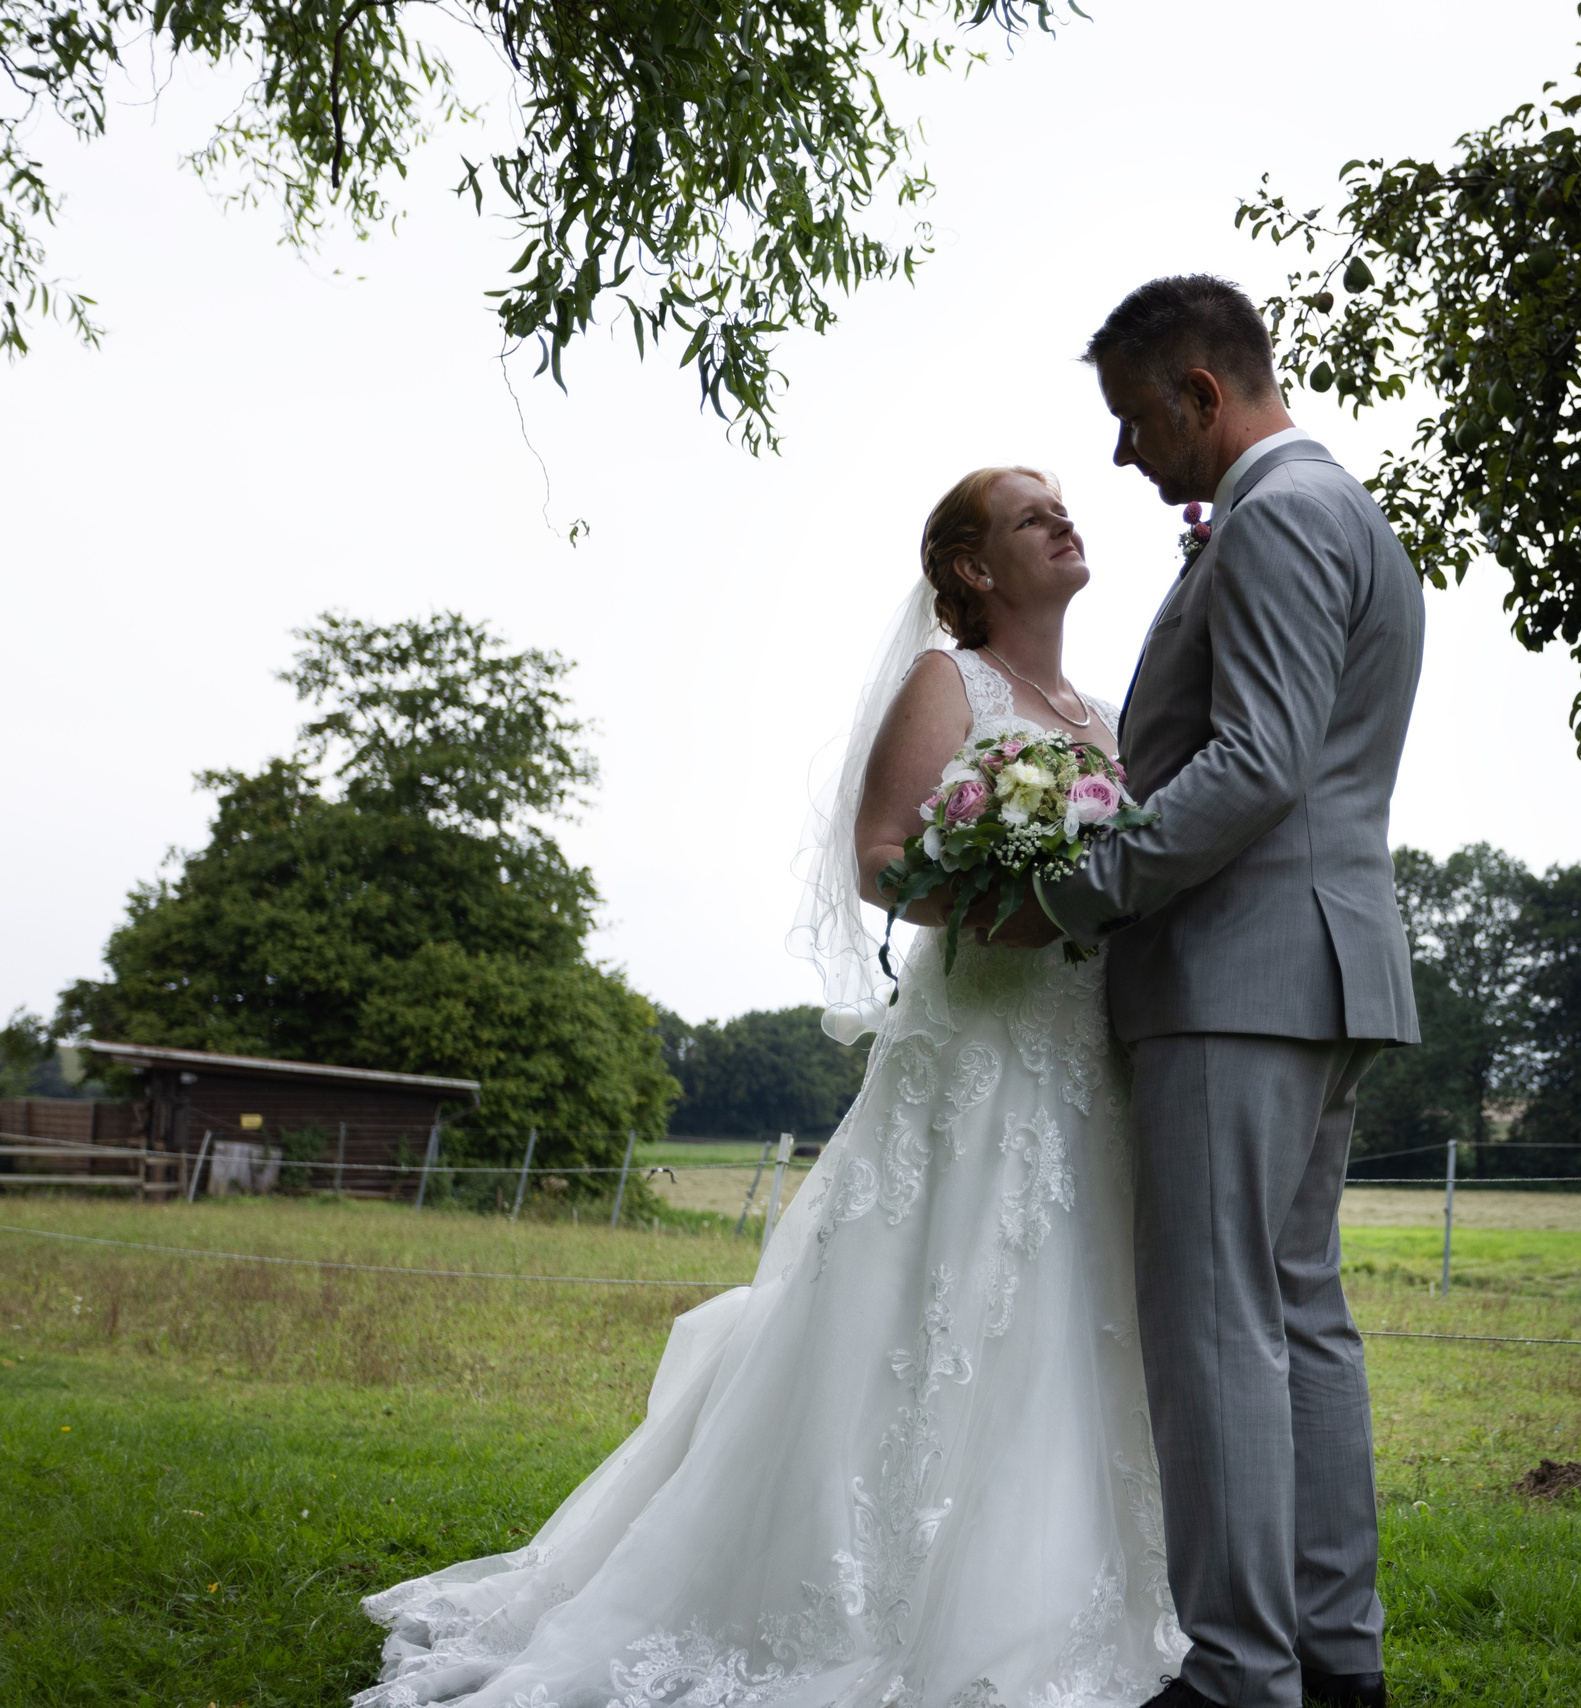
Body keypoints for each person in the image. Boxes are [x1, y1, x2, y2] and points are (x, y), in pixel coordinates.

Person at [354, 466, 1186, 1708]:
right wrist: (1002, 899)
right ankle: (862, 1602)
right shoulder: (947, 683)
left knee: (1072, 1317)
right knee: (926, 1316)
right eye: (1030, 516)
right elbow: (882, 857)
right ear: (968, 568)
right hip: (977, 1055)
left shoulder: (1107, 714)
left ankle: (1062, 1599)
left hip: (1081, 1059)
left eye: (1063, 507)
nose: (1065, 521)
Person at [1017, 275, 1427, 1708]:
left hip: (1238, 973)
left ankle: (1244, 1674)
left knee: (1217, 1326)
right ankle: (1333, 1661)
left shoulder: (1279, 517)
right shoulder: (1334, 511)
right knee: (1297, 1310)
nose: (1127, 457)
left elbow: (1254, 767)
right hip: (1317, 964)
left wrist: (1076, 888)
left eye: (1135, 420)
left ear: (1202, 392)